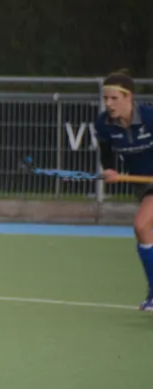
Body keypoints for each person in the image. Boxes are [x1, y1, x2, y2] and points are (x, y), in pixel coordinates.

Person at [94, 70, 153, 311]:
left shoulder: (150, 117)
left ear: (129, 97)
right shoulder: (103, 123)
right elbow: (106, 153)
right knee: (144, 231)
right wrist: (109, 169)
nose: (108, 104)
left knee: (141, 225)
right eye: (105, 98)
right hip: (143, 185)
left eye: (114, 98)